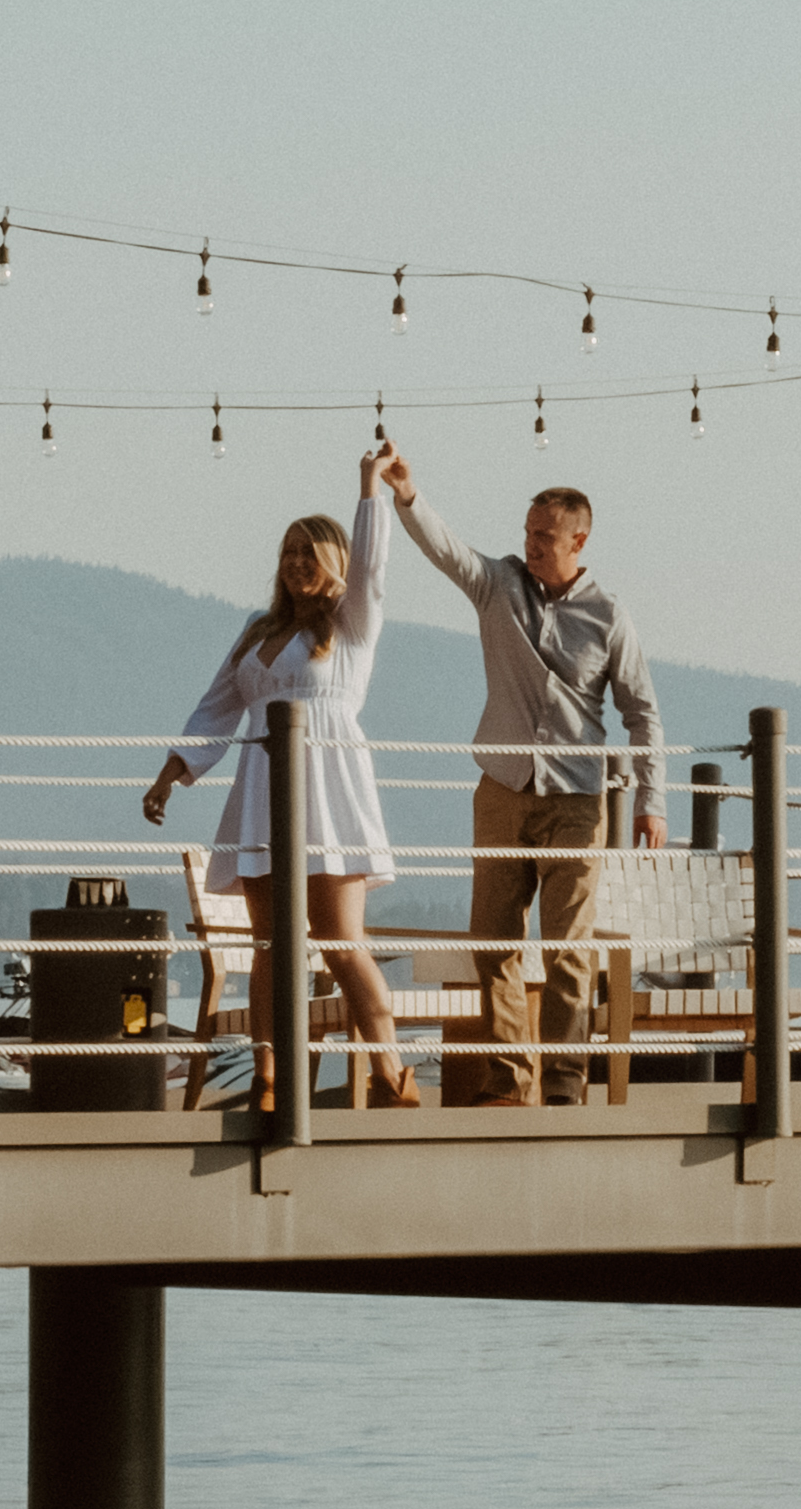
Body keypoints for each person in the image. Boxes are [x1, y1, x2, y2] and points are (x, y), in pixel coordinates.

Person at [380, 447, 658, 1104]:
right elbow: (447, 550)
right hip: (501, 792)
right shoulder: (498, 585)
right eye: (527, 532)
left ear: (577, 539)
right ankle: (508, 1081)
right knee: (494, 944)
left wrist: (652, 800)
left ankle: (563, 1082)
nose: (529, 544)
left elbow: (643, 714)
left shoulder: (609, 617)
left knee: (568, 951)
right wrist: (408, 493)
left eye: (543, 535)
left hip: (577, 800)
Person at [142, 456, 411, 1100]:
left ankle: (390, 1071)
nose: (297, 563)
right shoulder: (257, 630)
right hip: (263, 788)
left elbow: (372, 570)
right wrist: (172, 772)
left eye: (310, 553)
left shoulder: (350, 625)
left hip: (331, 787)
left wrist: (369, 489)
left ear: (333, 563)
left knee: (342, 941)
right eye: (289, 551)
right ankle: (268, 1075)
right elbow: (216, 706)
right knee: (269, 945)